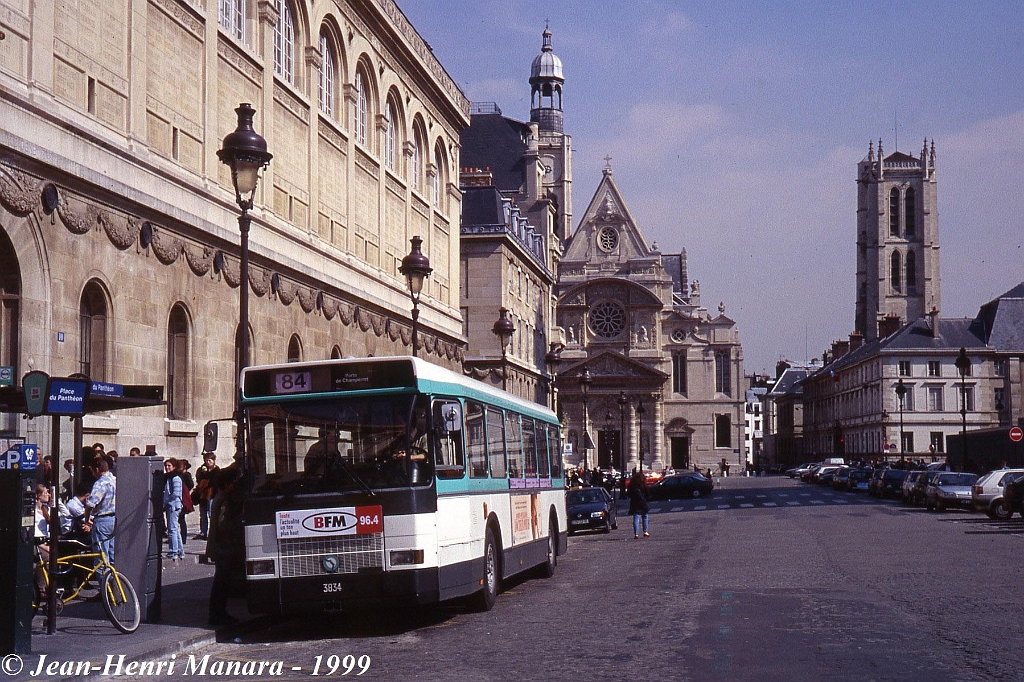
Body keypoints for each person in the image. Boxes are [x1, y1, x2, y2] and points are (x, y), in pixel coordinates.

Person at [206, 463, 244, 625]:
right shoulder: (224, 500)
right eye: (234, 482)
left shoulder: (220, 497)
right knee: (222, 582)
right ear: (228, 483)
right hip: (223, 546)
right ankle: (217, 614)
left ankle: (218, 613)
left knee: (222, 581)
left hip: (220, 545)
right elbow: (222, 525)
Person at [81, 455, 116, 565]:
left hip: (102, 520)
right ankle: (113, 576)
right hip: (114, 519)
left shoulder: (101, 483)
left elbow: (90, 504)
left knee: (101, 558)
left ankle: (103, 576)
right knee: (113, 555)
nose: (92, 474)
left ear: (97, 469)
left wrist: (87, 518)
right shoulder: (115, 480)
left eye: (92, 471)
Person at [163, 458, 185, 561]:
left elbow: (175, 493)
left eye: (169, 466)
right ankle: (180, 551)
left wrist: (167, 501)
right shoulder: (169, 477)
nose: (167, 468)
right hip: (172, 505)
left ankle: (173, 551)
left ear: (174, 467)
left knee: (172, 529)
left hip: (174, 506)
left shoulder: (175, 478)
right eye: (166, 466)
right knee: (175, 529)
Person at [194, 452, 220, 540]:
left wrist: (207, 476)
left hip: (212, 494)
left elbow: (214, 482)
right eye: (206, 460)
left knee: (211, 514)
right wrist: (202, 473)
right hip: (203, 495)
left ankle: (213, 533)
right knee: (203, 514)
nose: (208, 462)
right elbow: (198, 479)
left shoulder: (216, 470)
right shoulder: (202, 470)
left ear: (214, 460)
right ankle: (203, 532)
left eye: (210, 460)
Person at [627, 471, 650, 539]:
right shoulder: (643, 484)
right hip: (643, 503)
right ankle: (645, 531)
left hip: (634, 503)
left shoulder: (632, 485)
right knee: (645, 516)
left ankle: (636, 534)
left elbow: (628, 494)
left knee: (636, 518)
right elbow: (648, 493)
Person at [178, 459, 195, 546]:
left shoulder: (186, 475)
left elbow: (191, 484)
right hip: (181, 497)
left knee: (181, 518)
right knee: (180, 519)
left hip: (184, 498)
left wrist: (185, 490)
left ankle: (183, 537)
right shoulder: (179, 474)